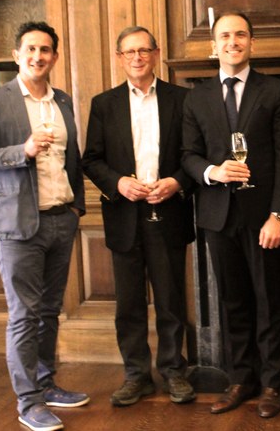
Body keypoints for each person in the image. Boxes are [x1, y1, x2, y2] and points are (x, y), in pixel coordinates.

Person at [0, 21, 88, 431]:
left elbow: (74, 162)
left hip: (60, 218)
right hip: (15, 226)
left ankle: (46, 382)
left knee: (50, 311)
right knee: (24, 314)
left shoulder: (63, 101)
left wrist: (77, 211)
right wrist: (24, 150)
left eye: (46, 50)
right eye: (30, 49)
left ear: (55, 56)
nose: (38, 56)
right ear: (17, 55)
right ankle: (28, 402)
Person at [182, 12, 280, 419]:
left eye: (240, 35)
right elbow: (188, 155)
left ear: (252, 43)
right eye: (225, 36)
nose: (233, 42)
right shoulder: (196, 97)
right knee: (232, 302)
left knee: (269, 301)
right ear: (213, 46)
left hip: (264, 216)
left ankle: (272, 384)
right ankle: (240, 379)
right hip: (218, 215)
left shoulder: (276, 91)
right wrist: (211, 172)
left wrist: (278, 214)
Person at [82, 26, 196, 407]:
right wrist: (119, 184)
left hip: (169, 212)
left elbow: (192, 155)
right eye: (129, 51)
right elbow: (91, 160)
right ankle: (136, 375)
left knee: (170, 300)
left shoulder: (182, 99)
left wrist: (177, 183)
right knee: (128, 304)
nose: (137, 57)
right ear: (119, 58)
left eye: (144, 50)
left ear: (156, 53)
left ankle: (173, 371)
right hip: (124, 215)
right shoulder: (104, 104)